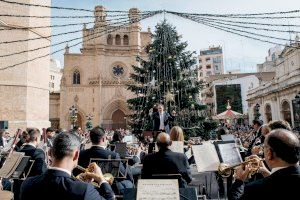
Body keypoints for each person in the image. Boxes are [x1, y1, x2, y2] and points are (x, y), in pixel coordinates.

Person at [20, 133, 114, 200]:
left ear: (49, 153)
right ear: (76, 155)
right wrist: (102, 179)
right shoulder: (84, 190)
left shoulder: (27, 184)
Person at [229, 129, 300, 200]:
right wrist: (265, 171)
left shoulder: (255, 189)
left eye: (263, 148)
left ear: (269, 153)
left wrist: (239, 181)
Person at [77, 126, 134, 194]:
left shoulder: (81, 153)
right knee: (129, 182)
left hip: (86, 188)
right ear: (104, 139)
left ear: (91, 139)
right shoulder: (113, 155)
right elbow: (123, 174)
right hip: (109, 189)